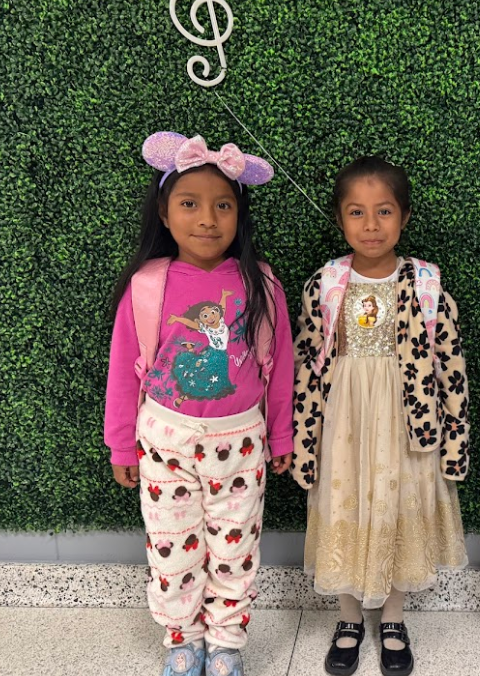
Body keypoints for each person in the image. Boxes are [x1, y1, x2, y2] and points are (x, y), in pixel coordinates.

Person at [104, 132, 294, 676]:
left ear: (240, 215)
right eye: (190, 204)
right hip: (164, 441)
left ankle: (227, 643)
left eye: (223, 205)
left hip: (241, 442)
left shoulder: (261, 285)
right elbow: (124, 369)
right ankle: (182, 640)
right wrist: (121, 442)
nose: (207, 218)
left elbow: (279, 369)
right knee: (172, 547)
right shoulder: (147, 285)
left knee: (235, 550)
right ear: (165, 214)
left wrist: (280, 436)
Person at [291, 156, 470, 676]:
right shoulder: (324, 284)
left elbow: (450, 363)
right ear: (340, 219)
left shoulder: (427, 284)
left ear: (405, 217)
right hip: (343, 421)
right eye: (356, 212)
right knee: (343, 501)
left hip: (405, 423)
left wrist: (455, 433)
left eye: (384, 211)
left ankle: (392, 617)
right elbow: (306, 363)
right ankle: (348, 617)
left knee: (395, 505)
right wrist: (304, 437)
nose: (370, 225)